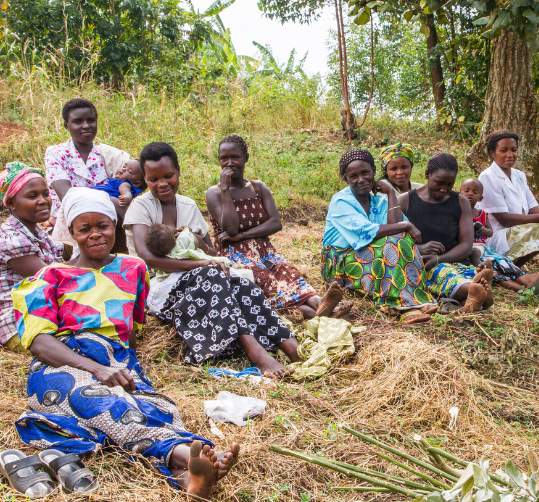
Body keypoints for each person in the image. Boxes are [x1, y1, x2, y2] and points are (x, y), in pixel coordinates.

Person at [12, 187, 240, 502]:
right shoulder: (49, 276)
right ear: (73, 233)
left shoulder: (133, 269)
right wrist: (96, 369)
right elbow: (39, 341)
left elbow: (130, 330)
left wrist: (123, 367)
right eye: (84, 228)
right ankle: (184, 455)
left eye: (102, 226)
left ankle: (187, 477)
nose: (95, 234)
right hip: (61, 362)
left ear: (114, 227)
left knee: (156, 406)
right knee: (97, 400)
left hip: (115, 357)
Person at [125, 141, 301, 377]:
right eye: (153, 179)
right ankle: (256, 353)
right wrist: (202, 263)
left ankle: (288, 342)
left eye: (168, 176)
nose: (162, 184)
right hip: (160, 286)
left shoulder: (187, 205)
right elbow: (148, 259)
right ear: (144, 179)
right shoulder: (140, 206)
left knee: (242, 284)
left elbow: (210, 251)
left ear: (178, 171)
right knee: (211, 273)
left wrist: (198, 245)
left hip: (200, 278)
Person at [205, 134, 347, 320]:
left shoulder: (258, 187)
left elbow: (275, 223)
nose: (229, 163)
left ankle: (319, 302)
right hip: (234, 254)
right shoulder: (215, 193)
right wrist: (225, 189)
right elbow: (231, 229)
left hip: (265, 250)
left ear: (246, 158)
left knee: (288, 273)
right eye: (224, 158)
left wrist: (243, 235)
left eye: (235, 157)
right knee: (267, 281)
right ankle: (324, 315)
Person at [322, 149, 436, 325]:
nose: (361, 179)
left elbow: (398, 228)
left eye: (365, 173)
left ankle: (415, 300)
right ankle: (398, 306)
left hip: (373, 252)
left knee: (398, 240)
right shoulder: (341, 201)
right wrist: (406, 225)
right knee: (391, 244)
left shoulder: (379, 199)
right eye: (353, 176)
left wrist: (390, 193)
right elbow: (369, 232)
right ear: (345, 179)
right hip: (341, 260)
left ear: (374, 172)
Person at [398, 154, 494, 313]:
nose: (444, 189)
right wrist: (421, 251)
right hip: (425, 265)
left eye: (450, 185)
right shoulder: (405, 200)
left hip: (456, 260)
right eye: (439, 183)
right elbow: (395, 238)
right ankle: (478, 294)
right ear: (427, 174)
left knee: (468, 274)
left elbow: (466, 244)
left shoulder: (460, 202)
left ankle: (473, 296)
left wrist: (439, 258)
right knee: (447, 275)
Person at [0, 162, 64, 353]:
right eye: (32, 196)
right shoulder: (12, 241)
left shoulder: (37, 232)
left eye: (45, 193)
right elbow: (54, 280)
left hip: (43, 313)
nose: (43, 200)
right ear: (11, 203)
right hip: (23, 325)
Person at [44, 97, 131, 252]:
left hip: (108, 227)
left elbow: (136, 183)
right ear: (66, 125)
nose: (86, 126)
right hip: (71, 228)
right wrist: (110, 200)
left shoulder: (106, 155)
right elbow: (67, 195)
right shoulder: (56, 153)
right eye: (78, 122)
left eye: (91, 120)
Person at [477, 130, 539, 266]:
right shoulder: (487, 177)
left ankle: (517, 266)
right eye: (503, 150)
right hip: (498, 236)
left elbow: (532, 207)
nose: (510, 155)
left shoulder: (519, 175)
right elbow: (505, 220)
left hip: (514, 230)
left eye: (513, 150)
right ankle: (506, 266)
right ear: (492, 153)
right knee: (537, 228)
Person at [459, 177, 539, 291]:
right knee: (489, 268)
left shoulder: (482, 214)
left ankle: (526, 279)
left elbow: (490, 232)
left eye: (475, 192)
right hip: (467, 249)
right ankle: (523, 291)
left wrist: (483, 230)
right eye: (466, 191)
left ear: (481, 198)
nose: (470, 194)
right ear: (459, 193)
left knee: (501, 260)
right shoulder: (456, 211)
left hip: (482, 247)